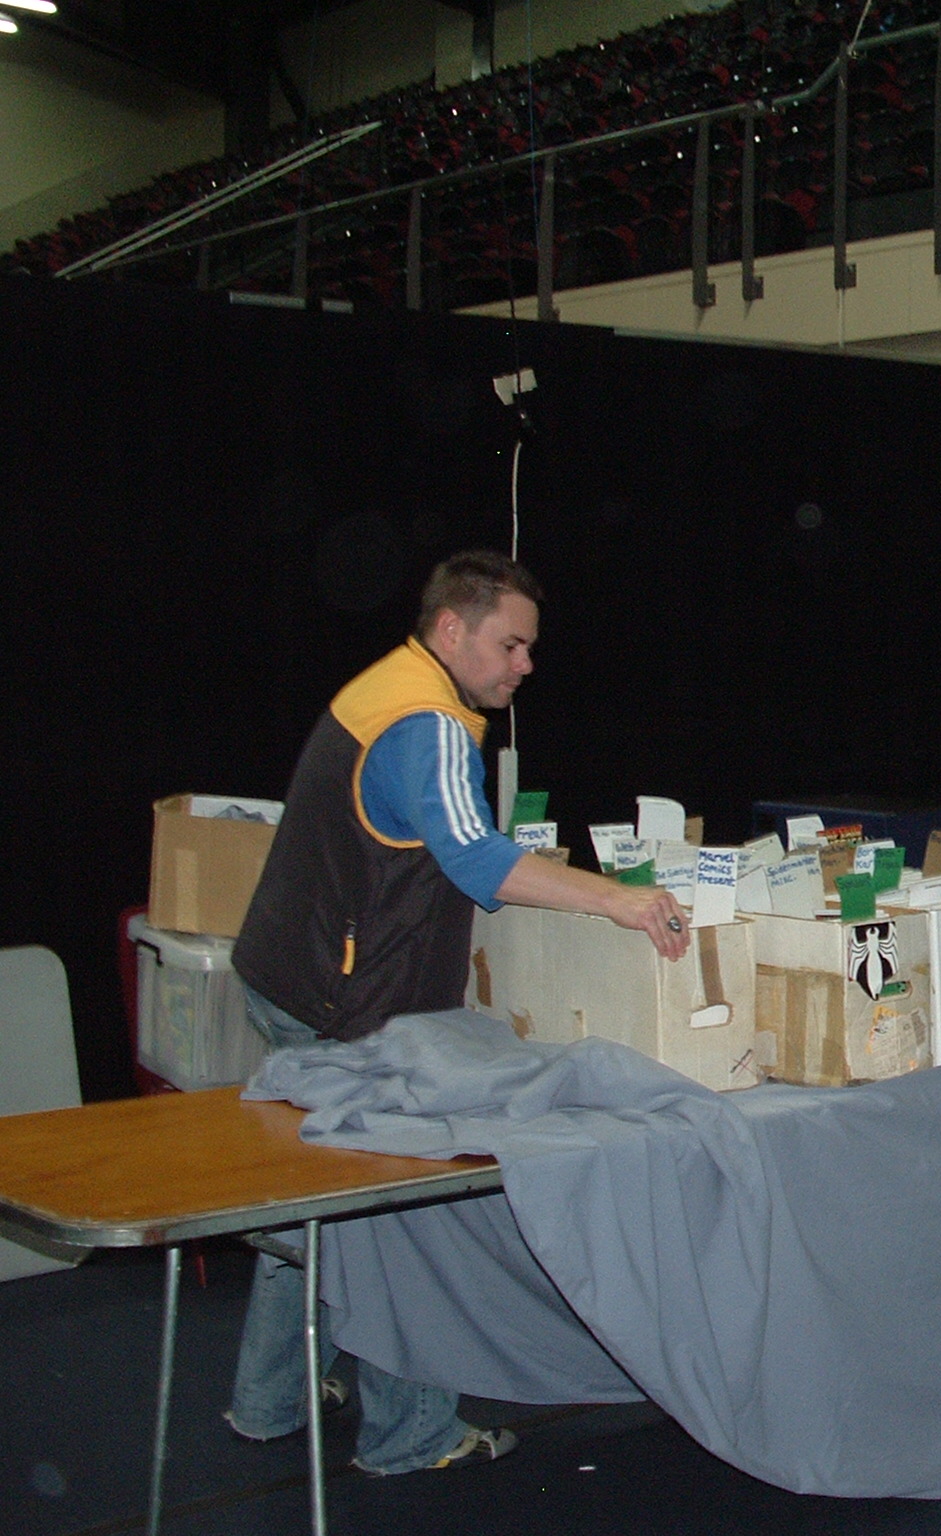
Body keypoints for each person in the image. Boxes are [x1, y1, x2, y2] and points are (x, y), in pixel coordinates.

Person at [226, 550, 691, 1474]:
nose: (526, 665)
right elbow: (476, 860)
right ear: (451, 629)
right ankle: (410, 1436)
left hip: (286, 973)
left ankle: (270, 1398)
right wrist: (618, 900)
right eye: (511, 645)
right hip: (344, 1000)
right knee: (395, 1221)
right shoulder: (430, 724)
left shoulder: (387, 688)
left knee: (312, 1201)